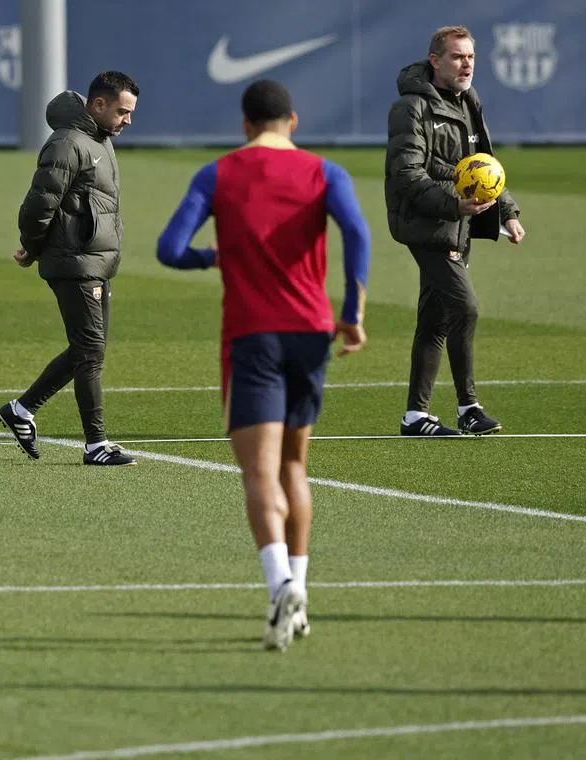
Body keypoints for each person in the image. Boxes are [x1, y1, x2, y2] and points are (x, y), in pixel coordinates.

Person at [157, 80, 371, 651]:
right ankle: (299, 596)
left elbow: (169, 249)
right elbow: (357, 231)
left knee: (258, 473)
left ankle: (280, 588)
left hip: (252, 336)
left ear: (245, 124)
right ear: (292, 122)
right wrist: (352, 311)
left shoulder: (219, 173)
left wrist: (214, 256)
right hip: (311, 332)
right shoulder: (326, 173)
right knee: (294, 469)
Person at [385, 25, 525, 437]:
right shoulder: (411, 108)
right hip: (423, 222)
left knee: (436, 319)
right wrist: (454, 203)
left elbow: (484, 166)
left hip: (457, 222)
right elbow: (407, 174)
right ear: (435, 60)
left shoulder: (469, 102)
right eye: (458, 57)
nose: (466, 65)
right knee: (465, 306)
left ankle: (416, 416)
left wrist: (507, 212)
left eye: (471, 57)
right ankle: (469, 406)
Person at [0, 71, 139, 466]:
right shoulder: (68, 143)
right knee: (90, 349)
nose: (127, 120)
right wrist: (32, 246)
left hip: (94, 259)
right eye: (122, 111)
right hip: (74, 261)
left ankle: (22, 410)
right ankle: (96, 445)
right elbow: (39, 204)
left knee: (89, 350)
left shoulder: (100, 141)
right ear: (98, 105)